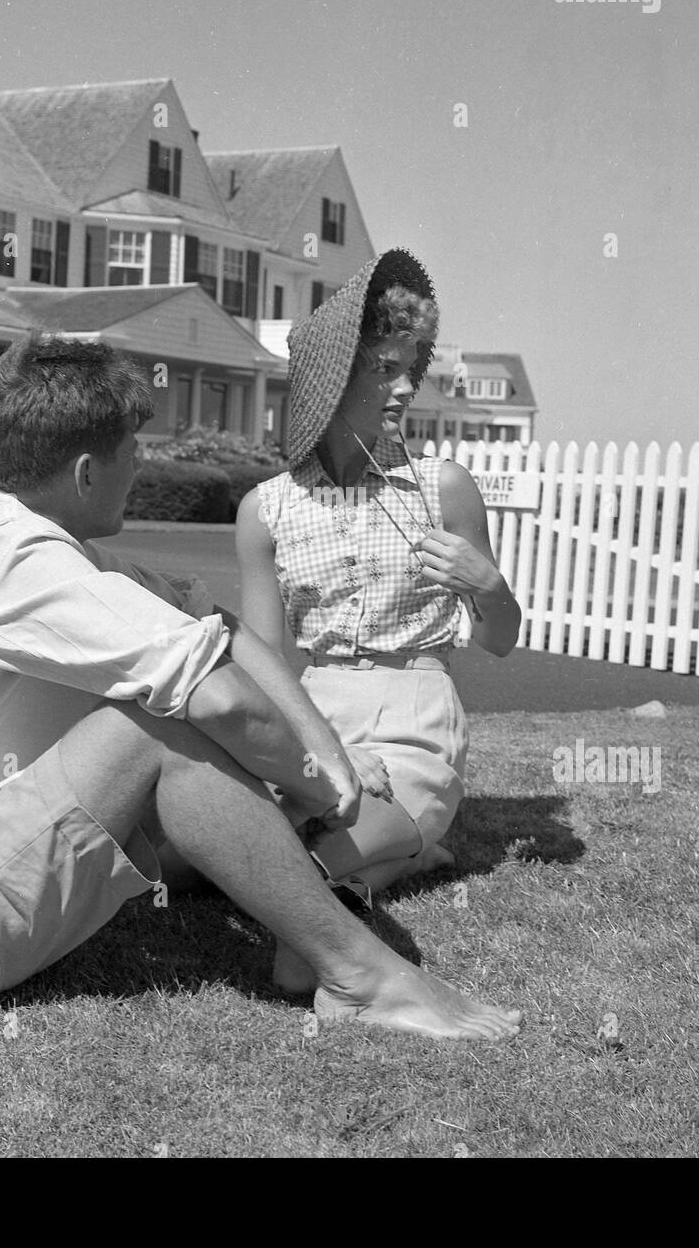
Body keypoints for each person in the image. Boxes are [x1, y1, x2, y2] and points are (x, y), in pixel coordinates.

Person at [0, 332, 520, 1041]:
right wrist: (319, 788)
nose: (143, 465)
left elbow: (215, 622)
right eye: (136, 450)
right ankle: (362, 976)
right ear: (89, 473)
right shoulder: (19, 565)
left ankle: (304, 905)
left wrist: (323, 746)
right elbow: (222, 697)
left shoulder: (9, 533)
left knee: (185, 704)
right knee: (161, 727)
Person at [236, 248, 522, 993]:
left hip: (416, 713)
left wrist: (486, 584)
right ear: (333, 377)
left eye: (410, 366)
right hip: (315, 712)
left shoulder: (444, 488)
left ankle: (349, 882)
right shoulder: (266, 511)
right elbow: (264, 661)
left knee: (301, 864)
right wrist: (319, 744)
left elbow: (500, 638)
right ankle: (400, 861)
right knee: (241, 835)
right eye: (382, 368)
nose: (403, 387)